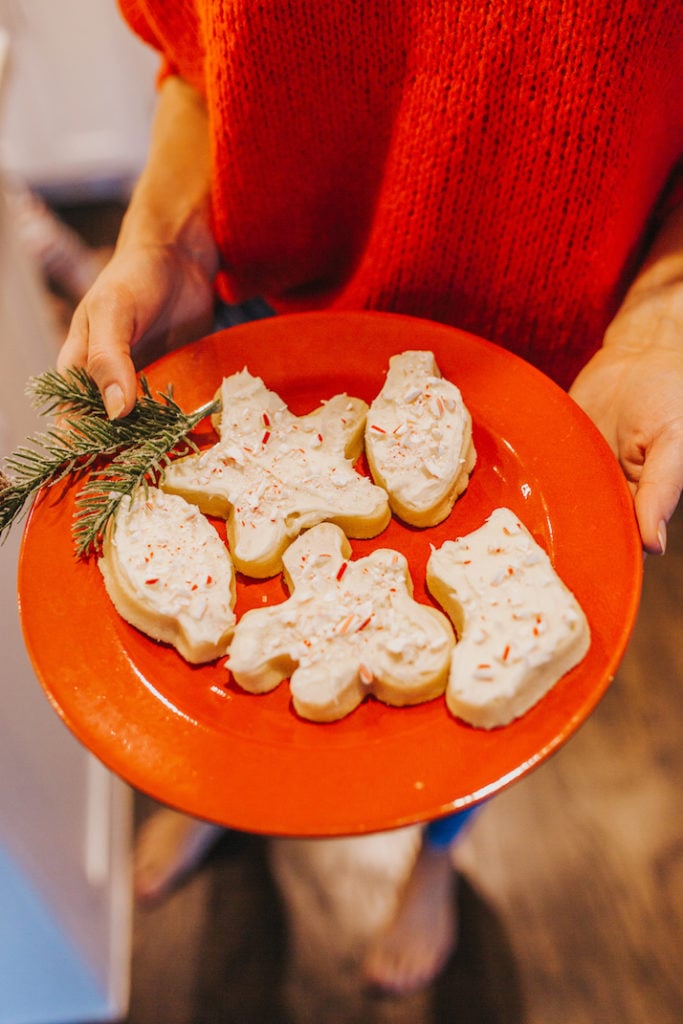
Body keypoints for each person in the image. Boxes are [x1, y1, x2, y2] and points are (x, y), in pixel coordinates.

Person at [58, 0, 683, 997]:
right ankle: (228, 799)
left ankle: (435, 856)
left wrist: (665, 311)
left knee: (485, 685)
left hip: (537, 376)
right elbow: (196, 58)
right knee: (232, 699)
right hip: (275, 325)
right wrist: (164, 232)